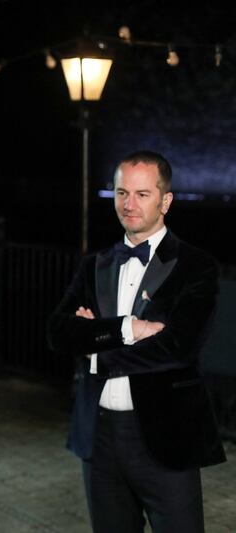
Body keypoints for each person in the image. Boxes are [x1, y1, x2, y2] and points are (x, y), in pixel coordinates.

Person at [47, 150, 226, 532]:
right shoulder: (94, 264)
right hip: (100, 438)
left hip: (166, 440)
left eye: (142, 194)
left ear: (166, 200)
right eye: (121, 192)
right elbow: (58, 333)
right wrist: (127, 329)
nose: (129, 205)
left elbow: (179, 348)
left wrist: (97, 350)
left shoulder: (196, 266)